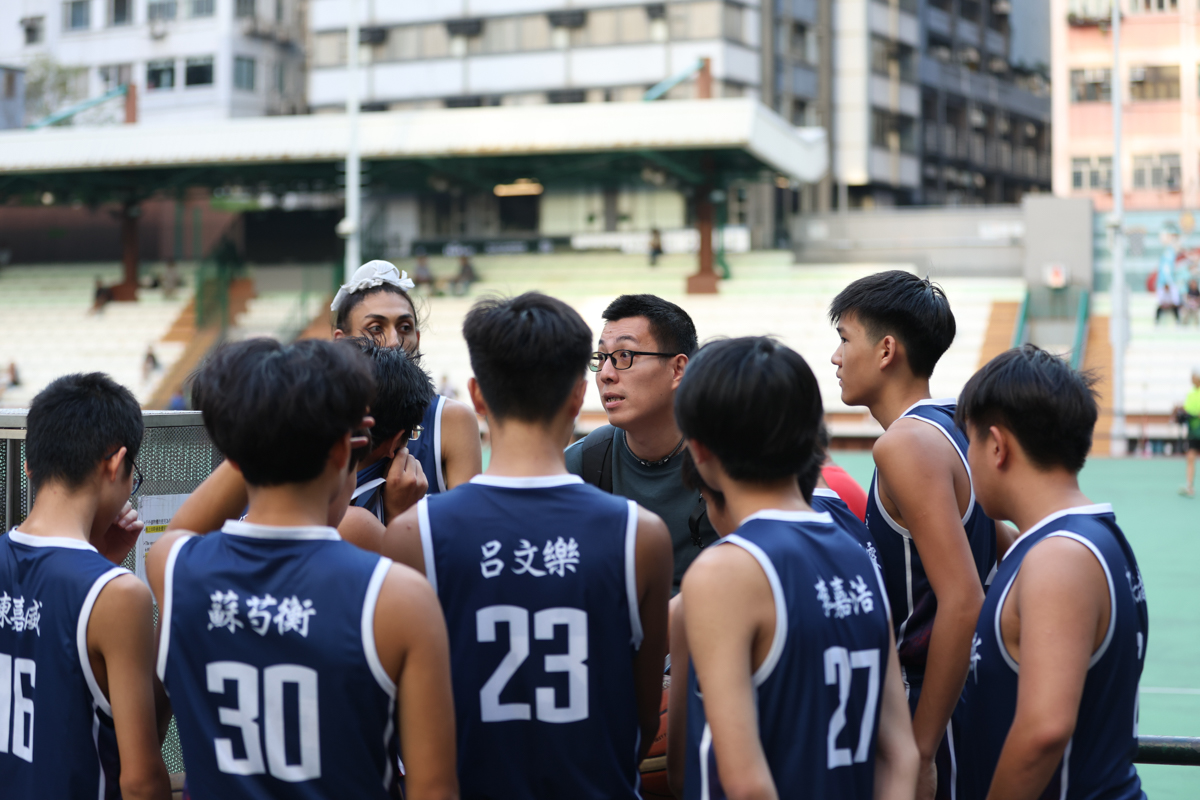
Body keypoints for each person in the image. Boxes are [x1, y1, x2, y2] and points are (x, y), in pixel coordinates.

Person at [381, 292, 674, 799]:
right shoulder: (641, 535)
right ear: (578, 396)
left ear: (476, 397)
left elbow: (400, 719)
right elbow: (645, 716)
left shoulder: (413, 534)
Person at [148, 338, 458, 800]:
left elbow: (185, 527)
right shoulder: (400, 598)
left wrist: (258, 427)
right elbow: (433, 790)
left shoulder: (173, 567)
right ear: (346, 448)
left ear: (234, 452)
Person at [665, 337, 918, 800]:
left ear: (699, 451)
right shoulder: (856, 554)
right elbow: (901, 755)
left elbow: (743, 784)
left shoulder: (726, 571)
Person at [829, 270, 999, 800]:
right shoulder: (953, 424)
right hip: (968, 696)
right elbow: (1003, 540)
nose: (835, 357)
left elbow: (963, 600)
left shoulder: (904, 445)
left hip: (930, 703)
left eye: (844, 339)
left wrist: (920, 751)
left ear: (886, 350)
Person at [957, 345, 1149, 800]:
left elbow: (1044, 730)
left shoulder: (1059, 557)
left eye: (969, 443)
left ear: (997, 446)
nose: (966, 460)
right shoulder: (1081, 538)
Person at [0, 373, 171, 799]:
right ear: (115, 464)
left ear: (30, 465)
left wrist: (97, 558)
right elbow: (141, 781)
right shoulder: (119, 595)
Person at [168, 337, 436, 551]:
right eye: (412, 434)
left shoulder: (180, 556)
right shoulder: (355, 525)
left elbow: (176, 539)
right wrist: (401, 519)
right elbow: (415, 592)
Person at [564, 295, 716, 588]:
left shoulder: (728, 459)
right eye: (601, 358)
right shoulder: (581, 464)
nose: (606, 375)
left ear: (678, 369)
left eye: (625, 356)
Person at [331, 260, 482, 495]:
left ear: (417, 339)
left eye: (404, 328)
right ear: (341, 342)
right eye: (376, 328)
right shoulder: (319, 420)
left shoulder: (450, 420)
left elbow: (467, 519)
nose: (394, 342)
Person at [1177, 367, 1200, 497]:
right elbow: (1187, 409)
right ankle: (1189, 486)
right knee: (1190, 456)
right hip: (1193, 431)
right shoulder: (1191, 393)